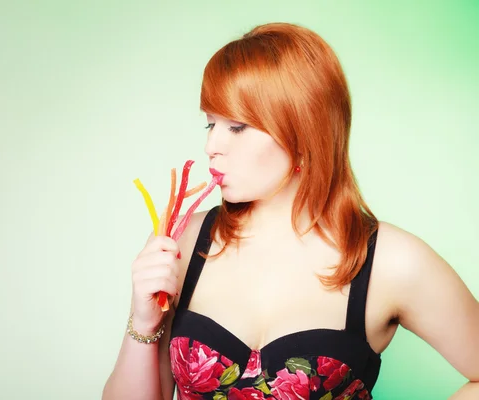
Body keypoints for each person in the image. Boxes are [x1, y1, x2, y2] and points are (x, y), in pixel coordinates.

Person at [102, 22, 479, 400]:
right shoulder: (182, 241)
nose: (211, 145)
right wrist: (143, 323)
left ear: (303, 132)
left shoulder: (391, 261)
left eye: (237, 126)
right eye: (210, 123)